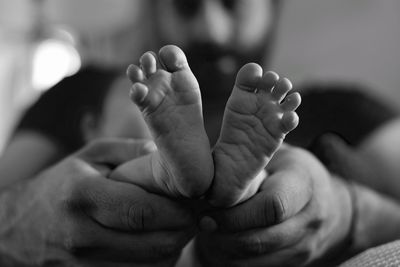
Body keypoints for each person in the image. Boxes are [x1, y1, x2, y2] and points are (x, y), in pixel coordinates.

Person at [1, 0, 400, 266]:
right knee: (134, 174)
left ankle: (222, 185)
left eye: (231, 3)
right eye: (186, 4)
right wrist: (26, 215)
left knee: (258, 194)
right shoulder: (89, 91)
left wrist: (349, 212)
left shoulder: (341, 109)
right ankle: (195, 180)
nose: (210, 29)